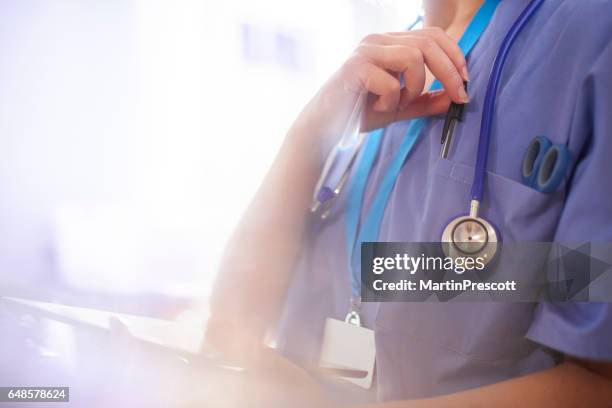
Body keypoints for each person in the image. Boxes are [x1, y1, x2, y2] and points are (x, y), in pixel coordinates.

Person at [206, 0, 612, 406]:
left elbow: (598, 384)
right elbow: (233, 326)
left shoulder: (591, 36)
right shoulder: (385, 63)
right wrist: (308, 135)